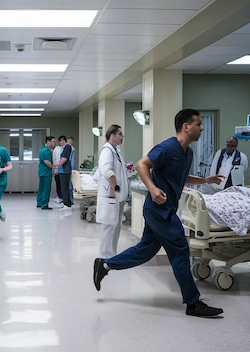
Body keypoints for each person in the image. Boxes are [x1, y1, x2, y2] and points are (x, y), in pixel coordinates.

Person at [93, 109, 225, 318]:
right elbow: (142, 164)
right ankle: (193, 303)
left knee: (145, 250)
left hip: (164, 209)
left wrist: (205, 180)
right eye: (198, 124)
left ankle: (106, 265)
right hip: (158, 210)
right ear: (186, 126)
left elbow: (181, 176)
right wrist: (153, 189)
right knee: (180, 248)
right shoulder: (167, 147)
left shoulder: (187, 153)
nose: (202, 128)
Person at [96, 125, 129, 258]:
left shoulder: (116, 150)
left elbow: (116, 170)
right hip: (111, 195)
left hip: (117, 195)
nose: (122, 137)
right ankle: (105, 256)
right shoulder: (107, 151)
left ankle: (112, 255)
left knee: (116, 226)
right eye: (120, 134)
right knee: (109, 226)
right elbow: (106, 170)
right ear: (112, 136)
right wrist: (114, 187)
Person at [36, 136, 55, 210]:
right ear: (48, 141)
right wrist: (53, 167)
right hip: (46, 172)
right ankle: (44, 204)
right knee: (46, 188)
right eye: (53, 141)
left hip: (41, 171)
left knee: (41, 188)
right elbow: (47, 161)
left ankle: (39, 202)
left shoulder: (42, 150)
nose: (54, 143)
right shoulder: (47, 151)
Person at [55, 135, 73, 208]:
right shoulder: (63, 148)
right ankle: (66, 203)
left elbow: (64, 158)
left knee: (64, 188)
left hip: (65, 170)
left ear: (63, 140)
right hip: (62, 170)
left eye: (60, 141)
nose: (60, 143)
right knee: (63, 187)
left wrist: (58, 165)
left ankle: (67, 204)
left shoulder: (67, 147)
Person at [52, 137, 63, 205]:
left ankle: (61, 197)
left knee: (62, 185)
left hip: (62, 170)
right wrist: (55, 168)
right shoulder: (56, 149)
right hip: (57, 169)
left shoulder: (63, 148)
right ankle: (60, 197)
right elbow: (54, 159)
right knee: (58, 184)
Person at [67, 136, 76, 205]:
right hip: (67, 168)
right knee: (68, 185)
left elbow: (73, 160)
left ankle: (70, 200)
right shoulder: (67, 148)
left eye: (71, 141)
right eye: (69, 140)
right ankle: (69, 200)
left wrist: (72, 169)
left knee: (70, 185)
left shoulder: (72, 149)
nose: (70, 142)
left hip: (70, 169)